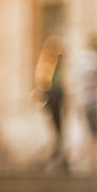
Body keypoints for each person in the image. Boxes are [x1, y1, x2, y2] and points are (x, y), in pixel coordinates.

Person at [34, 35, 67, 172]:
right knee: (55, 130)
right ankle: (54, 156)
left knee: (58, 130)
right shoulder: (47, 63)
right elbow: (43, 83)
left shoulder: (56, 64)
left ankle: (59, 156)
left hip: (56, 98)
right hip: (52, 98)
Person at [78, 33, 97, 174]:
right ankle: (93, 165)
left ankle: (91, 163)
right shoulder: (94, 60)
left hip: (83, 101)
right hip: (91, 102)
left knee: (90, 133)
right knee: (95, 135)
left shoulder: (83, 59)